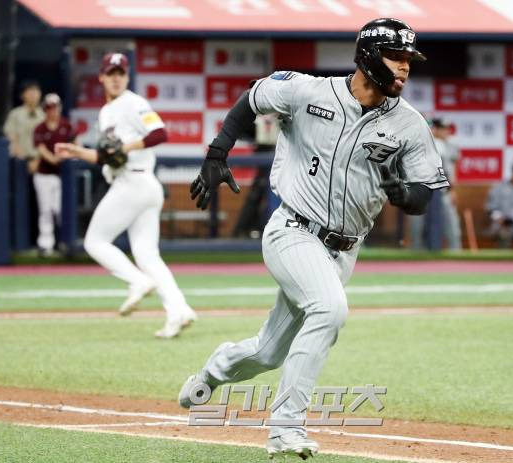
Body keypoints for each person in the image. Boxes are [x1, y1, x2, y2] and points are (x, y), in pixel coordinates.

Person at [178, 18, 448, 459]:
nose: (404, 69)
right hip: (293, 230)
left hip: (343, 252)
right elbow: (253, 97)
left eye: (408, 61)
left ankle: (212, 372)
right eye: (395, 57)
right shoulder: (309, 91)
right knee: (330, 309)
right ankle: (286, 429)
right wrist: (216, 152)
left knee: (268, 352)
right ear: (366, 56)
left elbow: (423, 195)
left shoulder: (409, 125)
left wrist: (405, 195)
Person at [55, 53, 197, 338]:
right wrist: (77, 152)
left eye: (120, 72)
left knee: (95, 241)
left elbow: (159, 134)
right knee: (147, 254)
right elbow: (107, 156)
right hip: (138, 184)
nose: (116, 78)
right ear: (102, 77)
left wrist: (124, 149)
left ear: (127, 76)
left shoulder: (133, 103)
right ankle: (179, 311)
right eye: (111, 73)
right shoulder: (107, 111)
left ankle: (137, 282)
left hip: (134, 183)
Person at [32, 93, 76, 256]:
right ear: (45, 110)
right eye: (49, 108)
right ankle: (45, 244)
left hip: (63, 176)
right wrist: (56, 158)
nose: (53, 111)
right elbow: (42, 150)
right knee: (46, 210)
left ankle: (64, 242)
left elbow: (76, 144)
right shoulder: (40, 128)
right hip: (44, 174)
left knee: (60, 209)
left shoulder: (67, 126)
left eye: (55, 107)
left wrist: (66, 155)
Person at [409, 117, 462, 250]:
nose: (446, 132)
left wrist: (453, 190)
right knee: (417, 226)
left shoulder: (447, 145)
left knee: (451, 225)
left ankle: (456, 254)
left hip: (442, 191)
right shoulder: (414, 142)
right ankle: (416, 255)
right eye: (443, 129)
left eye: (447, 129)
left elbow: (450, 170)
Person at [3, 80, 44, 167]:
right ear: (22, 95)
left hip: (41, 161)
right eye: (29, 91)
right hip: (19, 160)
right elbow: (11, 137)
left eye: (36, 91)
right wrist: (22, 157)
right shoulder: (15, 114)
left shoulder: (44, 115)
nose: (33, 94)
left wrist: (38, 160)